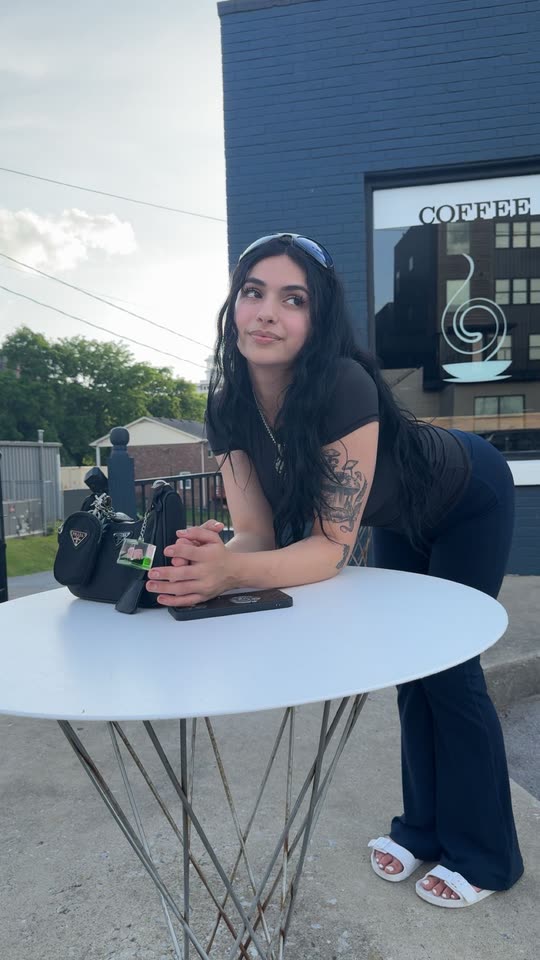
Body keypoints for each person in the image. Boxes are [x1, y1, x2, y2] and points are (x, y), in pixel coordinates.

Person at [146, 233, 523, 907]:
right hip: (401, 517)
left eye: (293, 299)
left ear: (317, 319)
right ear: (234, 306)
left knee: (449, 672)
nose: (267, 312)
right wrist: (216, 555)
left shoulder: (342, 383)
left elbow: (328, 549)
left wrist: (232, 572)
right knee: (411, 669)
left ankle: (487, 857)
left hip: (470, 495)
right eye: (253, 292)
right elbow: (256, 532)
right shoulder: (227, 404)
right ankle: (422, 829)